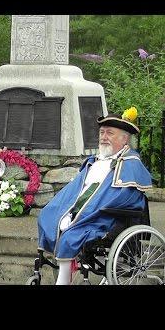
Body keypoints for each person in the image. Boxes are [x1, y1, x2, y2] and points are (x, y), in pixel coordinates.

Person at [37, 107, 152, 285]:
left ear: (124, 139)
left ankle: (63, 280)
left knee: (70, 235)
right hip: (82, 209)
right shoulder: (94, 162)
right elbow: (75, 191)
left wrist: (87, 212)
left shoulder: (130, 164)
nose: (104, 137)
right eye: (102, 132)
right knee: (48, 216)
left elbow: (124, 198)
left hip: (106, 216)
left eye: (110, 133)